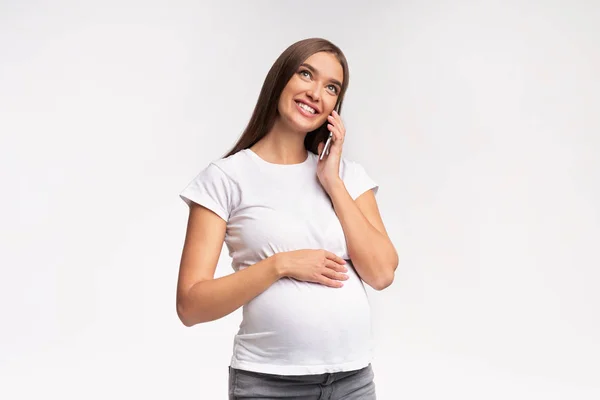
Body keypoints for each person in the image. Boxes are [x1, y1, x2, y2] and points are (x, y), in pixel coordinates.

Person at [176, 37, 398, 399]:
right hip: (269, 384)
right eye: (306, 74)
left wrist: (332, 181)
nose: (316, 93)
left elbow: (382, 273)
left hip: (352, 382)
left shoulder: (348, 177)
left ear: (334, 108)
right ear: (281, 79)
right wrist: (280, 265)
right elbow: (190, 305)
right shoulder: (226, 178)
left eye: (331, 87)